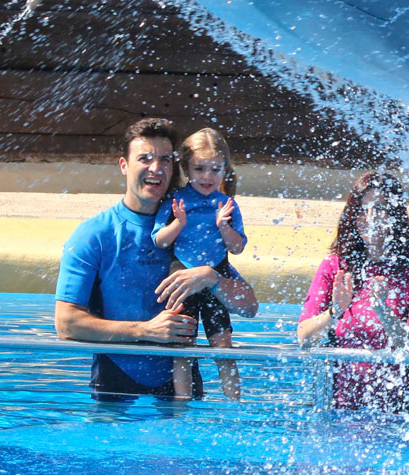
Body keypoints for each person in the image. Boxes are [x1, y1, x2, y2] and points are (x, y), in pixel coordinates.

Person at [54, 118, 259, 400]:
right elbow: (66, 324)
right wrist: (146, 330)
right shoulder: (94, 234)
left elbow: (249, 308)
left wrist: (210, 278)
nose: (156, 168)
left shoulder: (194, 229)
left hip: (183, 393)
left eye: (164, 159)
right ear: (124, 165)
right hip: (117, 384)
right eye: (145, 158)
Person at [296, 171, 409, 414]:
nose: (371, 218)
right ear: (352, 216)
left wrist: (382, 312)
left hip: (396, 409)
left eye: (381, 209)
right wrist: (335, 311)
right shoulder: (335, 267)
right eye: (363, 210)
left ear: (395, 215)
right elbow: (303, 338)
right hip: (336, 406)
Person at [153, 128, 247, 400]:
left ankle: (234, 405)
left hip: (216, 275)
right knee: (182, 348)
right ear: (186, 168)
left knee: (223, 347)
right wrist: (178, 224)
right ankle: (182, 406)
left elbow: (237, 247)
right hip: (182, 276)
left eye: (215, 169)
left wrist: (223, 227)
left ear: (224, 169)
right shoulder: (175, 202)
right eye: (200, 168)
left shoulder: (226, 204)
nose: (207, 176)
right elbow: (159, 240)